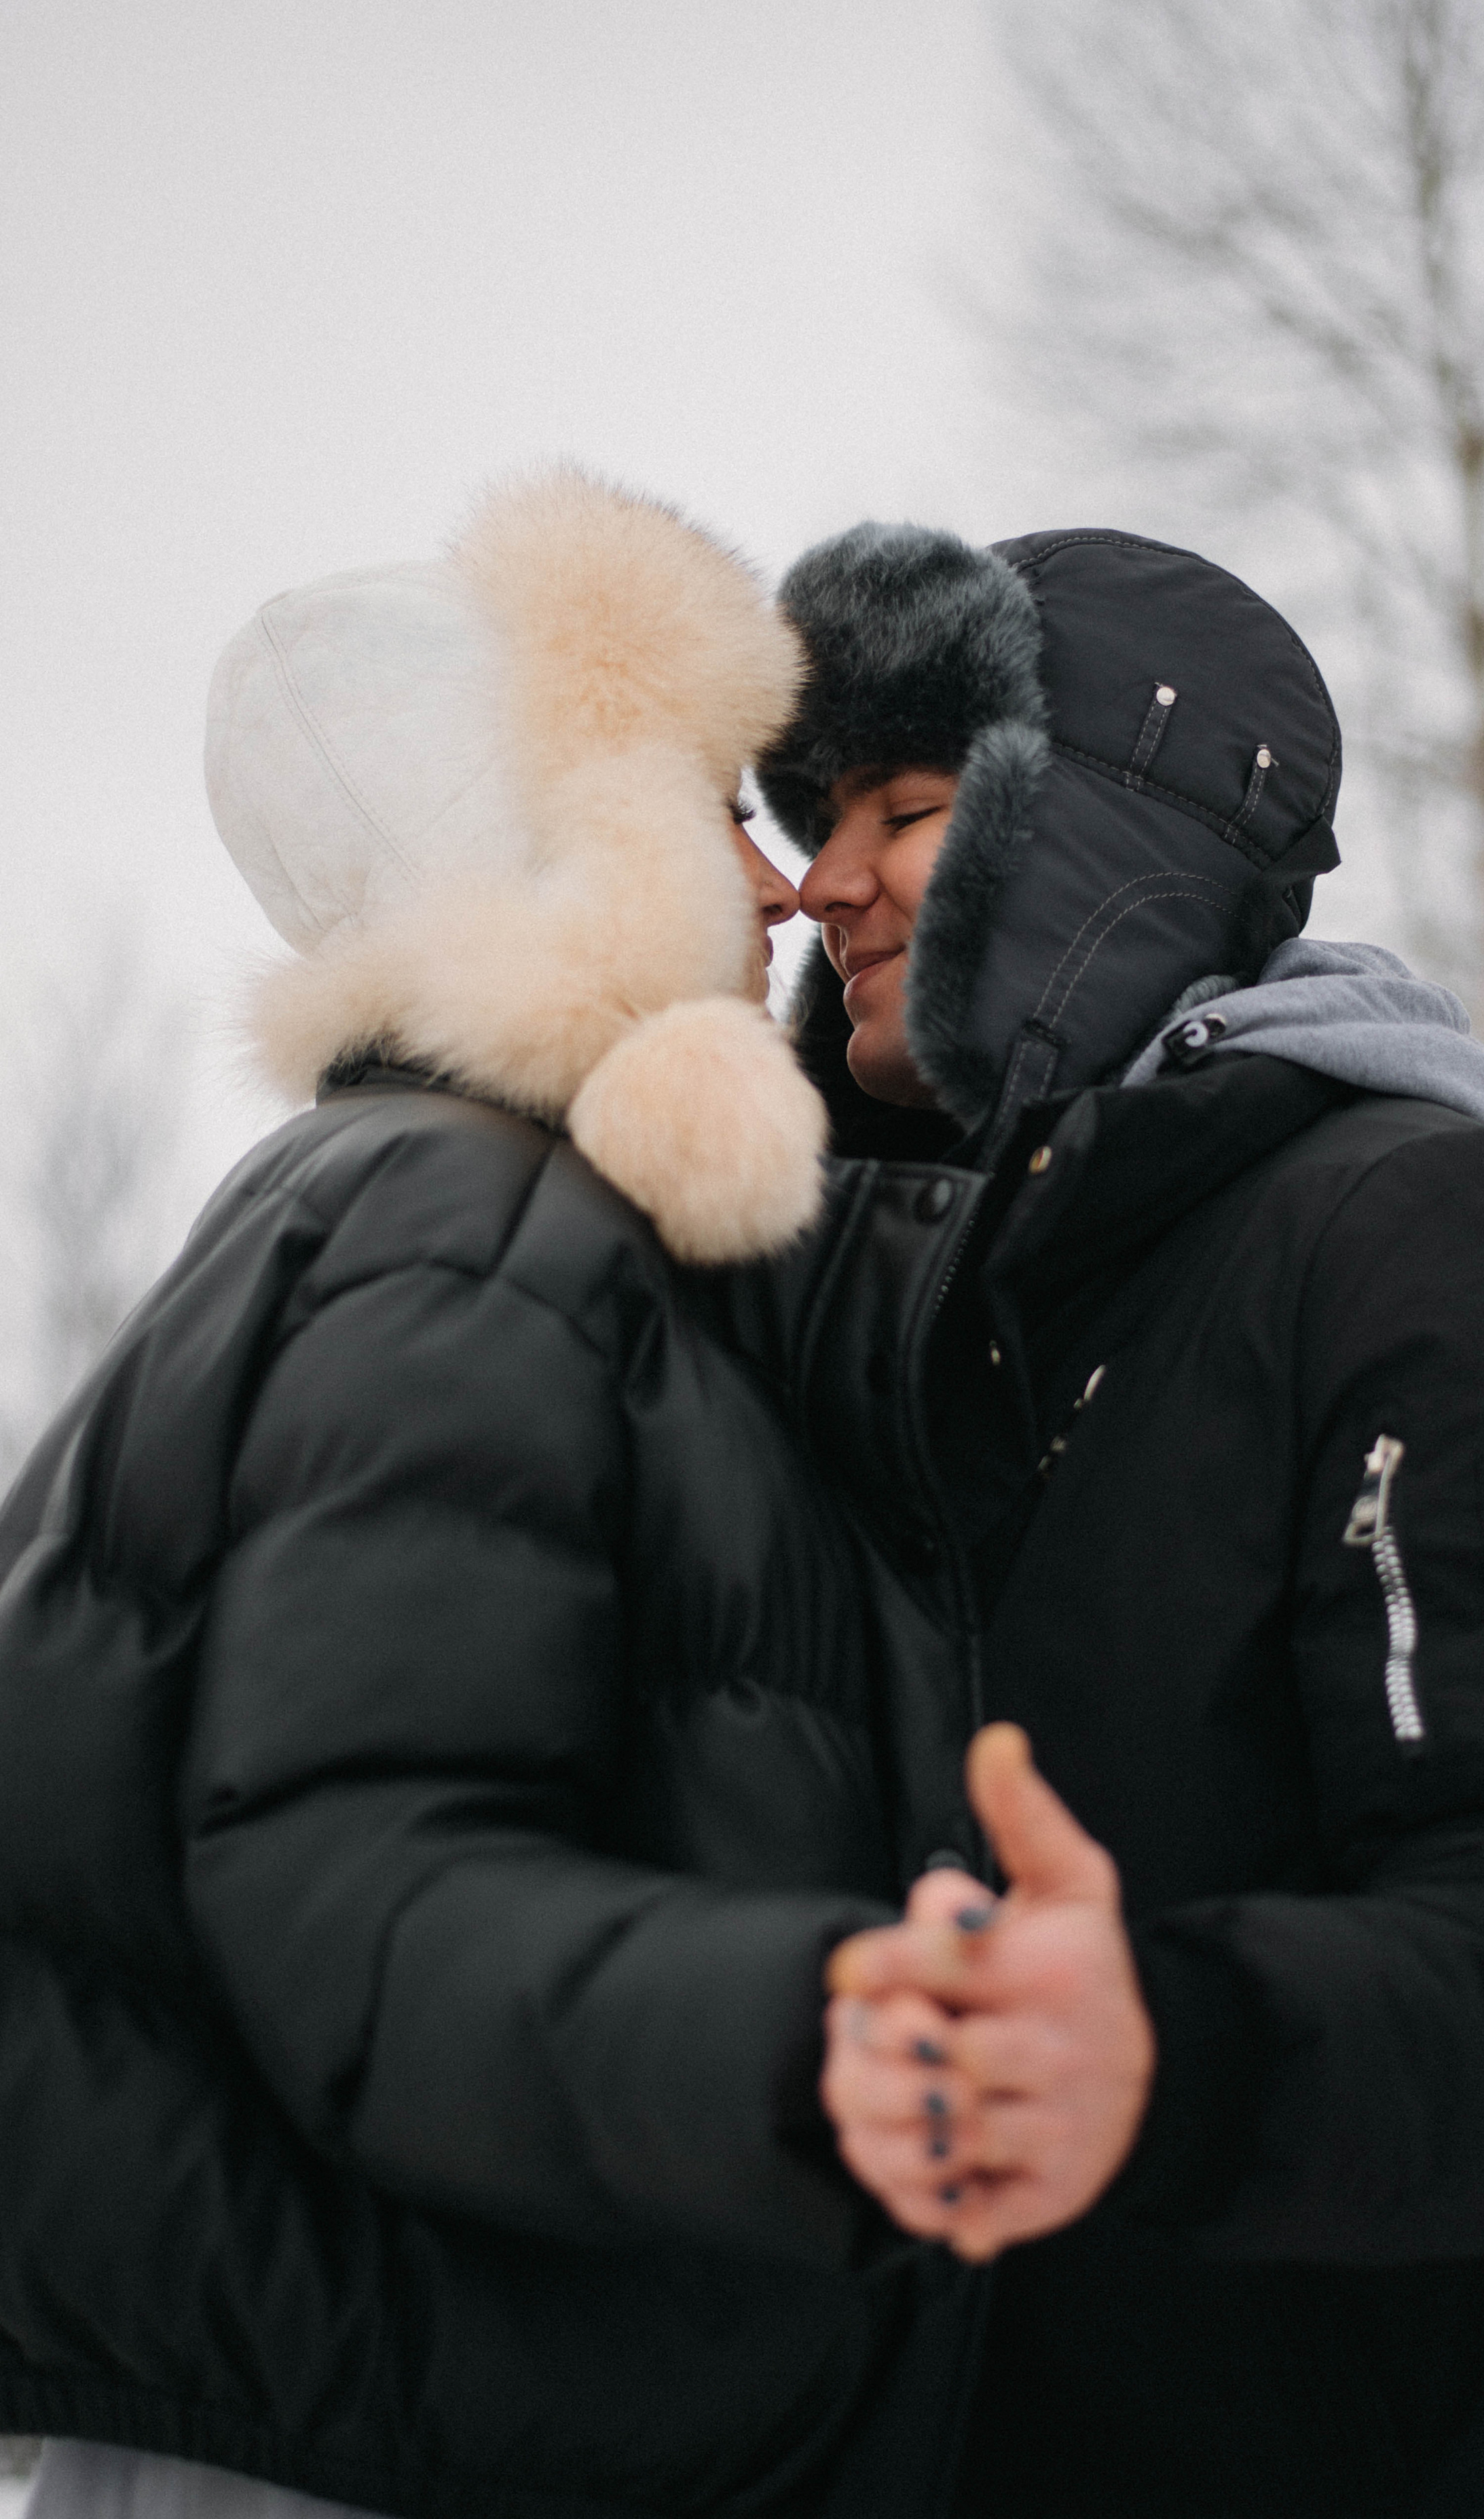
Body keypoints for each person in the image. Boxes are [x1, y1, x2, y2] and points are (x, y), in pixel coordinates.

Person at [0, 473, 984, 2519]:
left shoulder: (438, 1209)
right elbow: (352, 1879)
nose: (785, 884)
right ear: (568, 839)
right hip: (359, 2432)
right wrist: (837, 2041)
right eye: (711, 805)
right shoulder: (472, 1232)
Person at [745, 521, 1484, 2518]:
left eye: (912, 805)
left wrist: (1174, 2059)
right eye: (810, 814)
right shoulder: (966, 1353)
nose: (825, 881)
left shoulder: (1428, 1241)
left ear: (1105, 835)